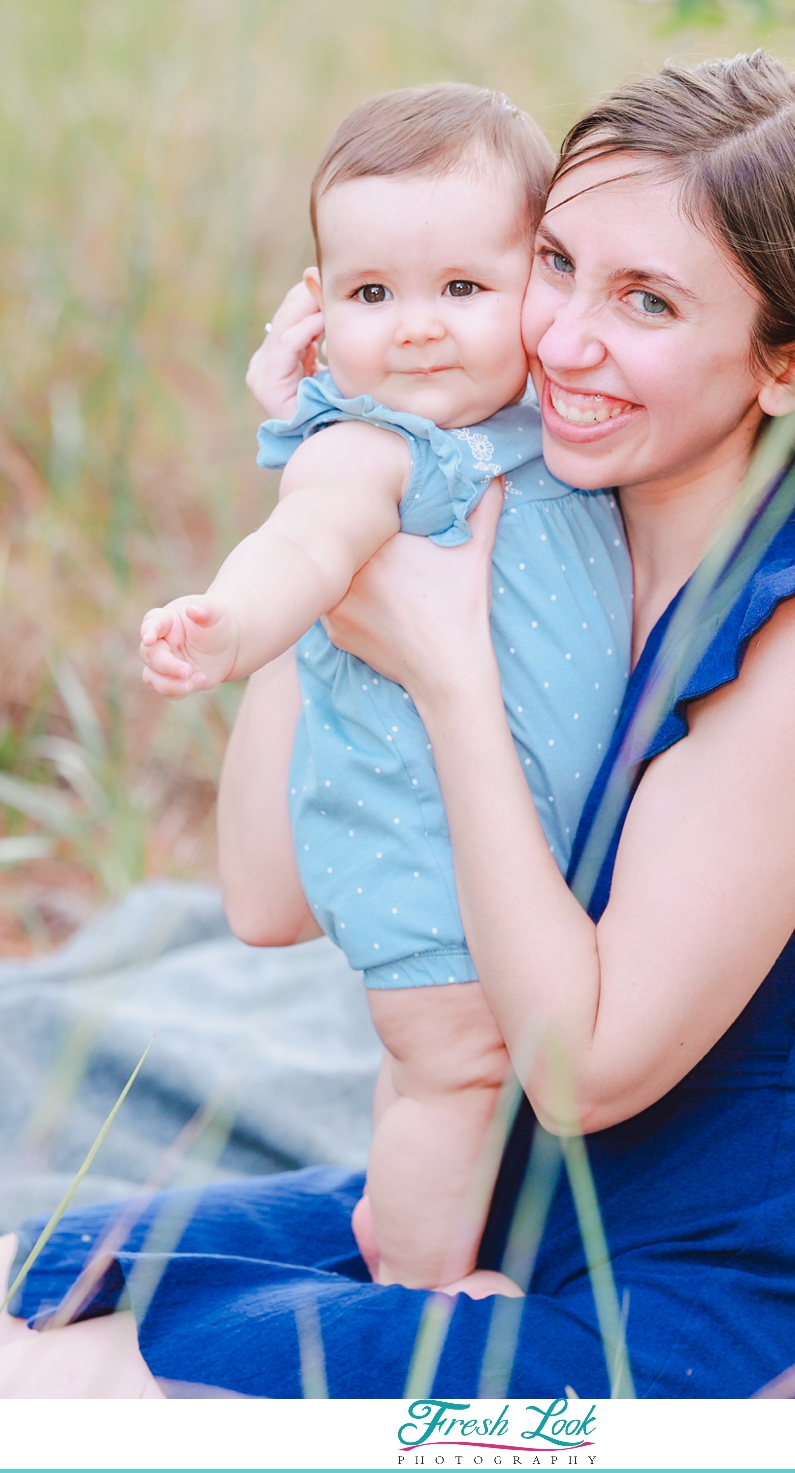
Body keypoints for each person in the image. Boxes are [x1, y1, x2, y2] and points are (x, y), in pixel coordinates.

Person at [0, 52, 795, 1400]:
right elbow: (268, 892)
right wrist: (338, 488)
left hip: (680, 1333)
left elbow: (577, 1071)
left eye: (645, 300)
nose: (565, 337)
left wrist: (452, 679)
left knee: (34, 1393)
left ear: (789, 361)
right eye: (554, 263)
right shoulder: (555, 526)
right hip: (498, 1214)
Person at [138, 83, 632, 1295]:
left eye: (464, 289)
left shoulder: (539, 432)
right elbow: (306, 543)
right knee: (451, 1071)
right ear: (318, 309)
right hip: (424, 856)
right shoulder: (373, 446)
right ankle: (417, 1285)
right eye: (372, 295)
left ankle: (413, 1219)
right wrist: (235, 624)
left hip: (506, 850)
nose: (416, 328)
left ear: (540, 283)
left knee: (460, 1071)